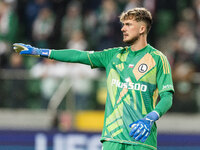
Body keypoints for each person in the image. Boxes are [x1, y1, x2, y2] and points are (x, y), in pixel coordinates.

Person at [13, 7, 174, 150]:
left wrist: (150, 118)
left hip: (142, 139)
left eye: (128, 25)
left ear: (142, 28)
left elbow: (167, 96)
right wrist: (40, 51)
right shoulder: (113, 55)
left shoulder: (158, 59)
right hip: (112, 137)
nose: (123, 29)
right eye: (123, 24)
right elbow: (78, 55)